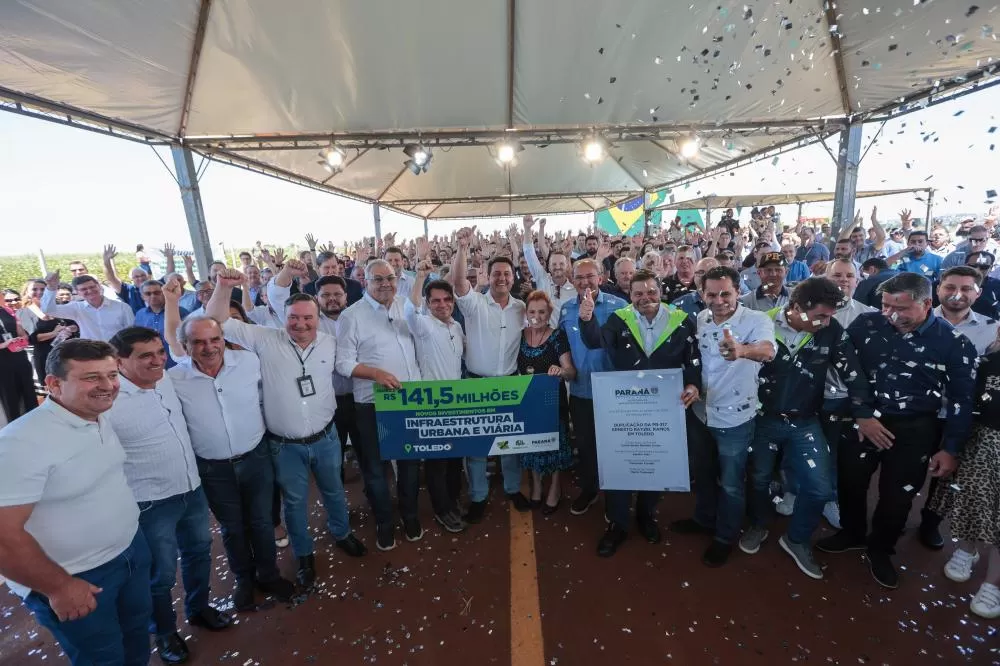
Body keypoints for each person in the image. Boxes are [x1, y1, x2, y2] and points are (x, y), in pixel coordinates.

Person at [207, 267, 367, 589]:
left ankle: (342, 532)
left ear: (318, 318)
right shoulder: (265, 339)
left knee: (334, 491)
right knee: (295, 502)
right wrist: (224, 288)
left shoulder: (329, 342)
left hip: (326, 437)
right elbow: (219, 323)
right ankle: (304, 553)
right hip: (285, 445)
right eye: (294, 318)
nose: (301, 324)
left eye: (308, 318)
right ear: (283, 316)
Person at [817, 273, 977, 589]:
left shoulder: (955, 344)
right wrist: (862, 414)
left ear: (927, 304)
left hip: (915, 429)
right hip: (862, 420)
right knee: (850, 481)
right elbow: (849, 369)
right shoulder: (866, 325)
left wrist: (951, 448)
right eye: (886, 305)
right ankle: (851, 533)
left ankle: (881, 548)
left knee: (897, 496)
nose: (891, 314)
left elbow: (963, 400)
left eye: (901, 308)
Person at [0, 340, 153, 666]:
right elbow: (3, 536)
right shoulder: (20, 442)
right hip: (77, 577)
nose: (107, 386)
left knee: (137, 637)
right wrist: (58, 587)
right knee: (103, 658)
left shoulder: (94, 415)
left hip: (130, 554)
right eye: (91, 377)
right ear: (53, 384)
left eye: (111, 375)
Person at [163, 291, 297, 611]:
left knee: (263, 521)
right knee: (233, 527)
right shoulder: (175, 379)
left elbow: (268, 400)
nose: (208, 347)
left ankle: (268, 574)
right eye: (198, 342)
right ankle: (244, 580)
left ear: (223, 338)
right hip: (213, 467)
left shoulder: (249, 362)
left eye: (214, 339)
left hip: (256, 457)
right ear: (186, 346)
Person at [107, 327, 232, 664]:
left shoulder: (166, 379)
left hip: (191, 488)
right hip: (149, 502)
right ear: (119, 361)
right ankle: (164, 631)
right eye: (145, 355)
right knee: (159, 573)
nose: (157, 360)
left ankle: (199, 607)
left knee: (199, 552)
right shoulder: (110, 401)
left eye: (160, 351)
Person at [741, 278, 879, 580]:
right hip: (762, 419)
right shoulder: (758, 324)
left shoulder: (831, 331)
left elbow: (853, 374)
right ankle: (758, 524)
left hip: (805, 421)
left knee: (819, 487)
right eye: (820, 315)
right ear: (795, 307)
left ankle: (797, 539)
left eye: (829, 315)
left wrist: (865, 414)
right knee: (759, 477)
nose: (826, 322)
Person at [579, 269, 701, 557]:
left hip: (664, 406)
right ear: (630, 296)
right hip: (625, 405)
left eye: (651, 292)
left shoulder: (681, 321)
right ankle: (618, 523)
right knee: (622, 461)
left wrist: (694, 383)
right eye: (638, 294)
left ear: (660, 290)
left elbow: (693, 358)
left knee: (655, 462)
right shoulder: (619, 319)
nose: (645, 298)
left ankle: (647, 514)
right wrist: (587, 319)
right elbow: (595, 340)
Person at [670, 266, 776, 568]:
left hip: (736, 420)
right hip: (701, 413)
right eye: (712, 294)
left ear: (737, 292)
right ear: (702, 295)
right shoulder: (700, 319)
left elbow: (768, 350)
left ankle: (725, 536)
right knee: (702, 473)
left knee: (731, 482)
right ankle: (704, 519)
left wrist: (742, 350)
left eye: (725, 293)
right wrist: (691, 385)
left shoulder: (756, 320)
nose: (719, 300)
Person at [337, 258, 423, 550]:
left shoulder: (405, 305)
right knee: (376, 468)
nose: (385, 284)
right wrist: (376, 374)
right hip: (373, 404)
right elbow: (343, 362)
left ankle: (410, 516)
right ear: (365, 281)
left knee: (410, 463)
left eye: (390, 278)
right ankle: (385, 522)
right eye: (378, 279)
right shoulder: (352, 315)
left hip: (408, 400)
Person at [451, 226, 530, 521]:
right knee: (476, 446)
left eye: (507, 274)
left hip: (509, 384)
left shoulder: (521, 308)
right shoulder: (474, 303)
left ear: (513, 278)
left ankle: (512, 488)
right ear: (488, 274)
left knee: (510, 443)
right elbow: (459, 282)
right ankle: (478, 496)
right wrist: (461, 248)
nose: (502, 278)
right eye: (496, 273)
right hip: (476, 384)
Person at [928, 342, 1000, 619]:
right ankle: (966, 549)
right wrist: (953, 446)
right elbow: (965, 403)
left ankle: (992, 583)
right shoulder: (987, 363)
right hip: (982, 441)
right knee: (971, 500)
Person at [404, 260, 467, 533]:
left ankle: (451, 502)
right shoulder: (424, 326)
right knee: (437, 463)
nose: (442, 305)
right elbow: (409, 311)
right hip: (431, 405)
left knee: (455, 459)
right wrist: (420, 276)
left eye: (446, 300)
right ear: (428, 304)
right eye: (436, 301)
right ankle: (442, 509)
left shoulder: (456, 327)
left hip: (456, 402)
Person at [560, 259, 627, 516]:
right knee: (586, 447)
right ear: (572, 279)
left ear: (601, 277)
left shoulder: (619, 307)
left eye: (590, 276)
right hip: (580, 391)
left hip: (613, 392)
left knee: (614, 447)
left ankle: (616, 499)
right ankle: (589, 491)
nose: (585, 282)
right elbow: (562, 346)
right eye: (579, 277)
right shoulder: (566, 310)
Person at [518, 290, 576, 514]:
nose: (537, 316)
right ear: (526, 313)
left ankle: (554, 486)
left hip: (553, 403)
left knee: (555, 446)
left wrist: (561, 370)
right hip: (528, 404)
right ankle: (537, 484)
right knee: (533, 446)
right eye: (532, 311)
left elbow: (571, 372)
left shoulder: (557, 336)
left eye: (542, 311)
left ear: (549, 312)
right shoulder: (521, 335)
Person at [40, 271, 135, 341]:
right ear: (77, 292)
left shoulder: (122, 307)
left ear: (99, 286)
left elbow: (131, 332)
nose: (89, 291)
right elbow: (48, 310)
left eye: (92, 287)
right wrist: (51, 288)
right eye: (84, 289)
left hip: (117, 353)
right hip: (90, 354)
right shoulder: (76, 308)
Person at [17, 279, 79, 384]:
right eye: (34, 289)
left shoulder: (57, 307)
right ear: (27, 292)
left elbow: (75, 325)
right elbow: (32, 338)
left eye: (43, 289)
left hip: (68, 352)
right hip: (45, 356)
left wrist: (69, 329)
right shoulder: (24, 312)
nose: (39, 292)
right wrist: (54, 333)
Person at [522, 216, 577, 326]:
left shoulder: (575, 289)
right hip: (544, 337)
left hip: (567, 338)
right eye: (554, 264)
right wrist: (527, 230)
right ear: (549, 266)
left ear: (566, 265)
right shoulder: (543, 278)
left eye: (561, 264)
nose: (557, 267)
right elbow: (529, 254)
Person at [0, 299, 37, 422]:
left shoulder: (6, 310)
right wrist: (4, 344)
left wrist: (23, 338)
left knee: (28, 389)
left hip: (18, 355)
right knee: (9, 393)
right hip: (2, 360)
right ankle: (14, 424)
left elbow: (20, 330)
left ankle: (35, 419)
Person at [102, 244, 148, 313]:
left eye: (143, 275)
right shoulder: (128, 290)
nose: (140, 278)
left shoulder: (157, 286)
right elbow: (112, 279)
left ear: (147, 276)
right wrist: (107, 262)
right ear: (131, 279)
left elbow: (168, 277)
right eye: (136, 277)